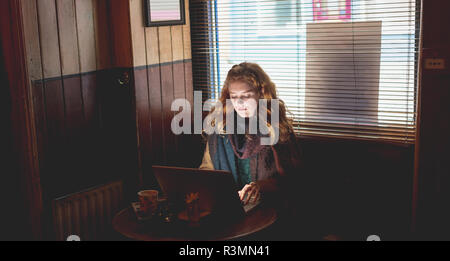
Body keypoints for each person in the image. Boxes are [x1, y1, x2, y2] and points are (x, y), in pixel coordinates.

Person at [198, 62, 303, 221]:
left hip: (271, 211)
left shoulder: (277, 129)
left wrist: (261, 186)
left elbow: (292, 180)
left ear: (261, 92)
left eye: (246, 96)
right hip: (230, 209)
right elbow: (206, 169)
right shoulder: (221, 128)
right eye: (234, 96)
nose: (239, 103)